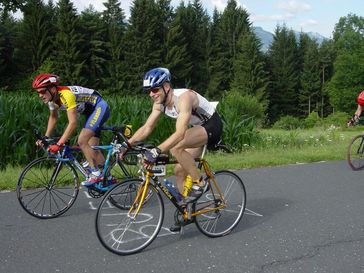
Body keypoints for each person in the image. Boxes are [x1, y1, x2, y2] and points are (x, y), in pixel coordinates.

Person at [120, 67, 223, 231]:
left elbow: (181, 133)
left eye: (154, 89)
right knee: (179, 171)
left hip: (211, 126)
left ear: (166, 86)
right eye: (148, 91)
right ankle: (187, 212)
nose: (152, 94)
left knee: (175, 148)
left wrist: (157, 150)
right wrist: (128, 144)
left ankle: (200, 183)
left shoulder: (183, 98)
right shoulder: (159, 103)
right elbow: (147, 127)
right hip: (196, 129)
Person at [32, 73, 110, 186]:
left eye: (43, 91)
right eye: (38, 92)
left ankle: (96, 174)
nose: (40, 95)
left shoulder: (66, 95)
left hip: (99, 106)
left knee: (82, 140)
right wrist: (46, 137)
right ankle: (109, 177)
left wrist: (59, 144)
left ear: (53, 89)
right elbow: (53, 117)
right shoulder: (52, 100)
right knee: (93, 150)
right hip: (89, 113)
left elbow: (73, 123)